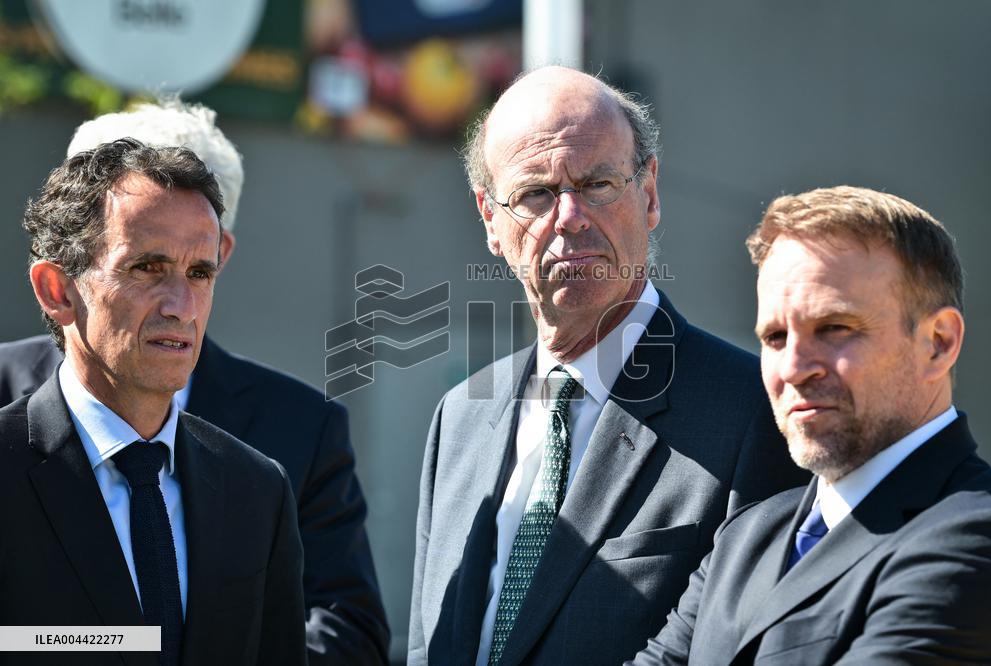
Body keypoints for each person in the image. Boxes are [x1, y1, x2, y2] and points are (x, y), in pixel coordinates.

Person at [407, 66, 807, 666]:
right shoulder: (459, 419)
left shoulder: (754, 412)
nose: (569, 216)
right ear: (491, 220)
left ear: (648, 194)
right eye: (535, 193)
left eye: (597, 184)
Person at [0, 101, 389, 665]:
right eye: (147, 268)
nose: (181, 306)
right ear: (58, 290)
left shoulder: (258, 486)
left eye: (200, 273)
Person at [629, 186, 991, 664]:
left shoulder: (977, 539)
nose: (794, 367)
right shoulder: (746, 536)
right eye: (776, 336)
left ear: (938, 343)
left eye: (835, 328)